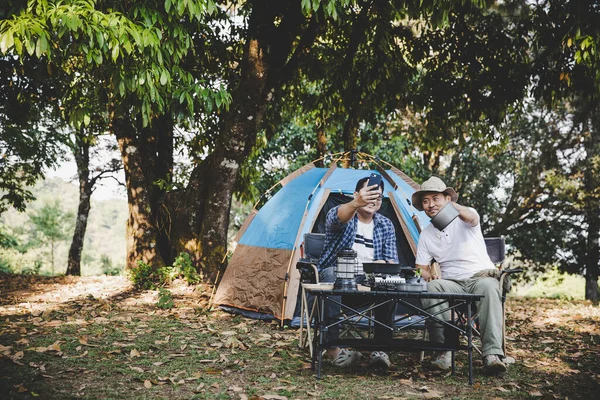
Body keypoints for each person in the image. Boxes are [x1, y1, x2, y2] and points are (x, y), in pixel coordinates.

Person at [412, 176, 508, 375]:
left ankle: (491, 354)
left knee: (490, 287)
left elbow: (471, 217)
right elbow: (419, 267)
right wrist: (428, 273)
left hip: (479, 278)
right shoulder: (427, 234)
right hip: (451, 283)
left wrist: (451, 207)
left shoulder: (466, 217)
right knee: (432, 288)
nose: (430, 205)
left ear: (448, 199)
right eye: (425, 201)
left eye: (435, 198)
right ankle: (443, 351)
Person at [317, 175, 398, 370]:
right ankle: (333, 349)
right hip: (339, 278)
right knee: (330, 275)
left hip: (370, 281)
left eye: (377, 196)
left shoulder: (386, 224)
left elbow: (392, 261)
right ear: (356, 195)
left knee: (390, 281)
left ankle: (380, 350)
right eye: (368, 194)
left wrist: (384, 265)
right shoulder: (344, 215)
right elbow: (335, 219)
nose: (373, 200)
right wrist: (355, 204)